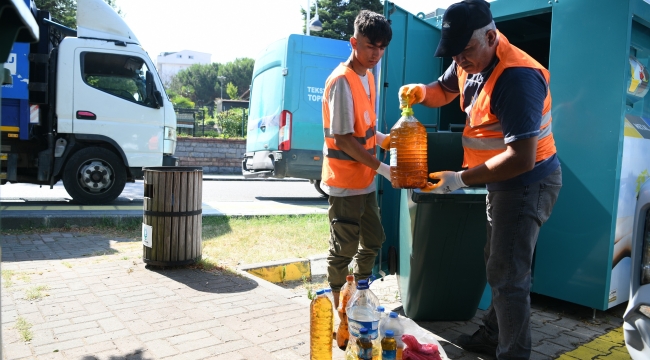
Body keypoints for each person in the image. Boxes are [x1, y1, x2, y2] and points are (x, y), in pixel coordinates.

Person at [399, 1, 562, 359]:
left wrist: (457, 180)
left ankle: (513, 352)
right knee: (499, 263)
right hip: (502, 183)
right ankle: (494, 333)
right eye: (453, 54)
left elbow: (521, 157)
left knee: (508, 275)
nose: (459, 61)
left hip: (527, 184)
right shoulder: (469, 58)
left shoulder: (517, 78)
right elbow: (445, 90)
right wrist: (421, 93)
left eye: (465, 52)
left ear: (491, 36)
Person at [321, 10, 392, 308]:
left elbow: (365, 130)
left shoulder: (369, 76)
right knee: (343, 249)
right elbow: (343, 138)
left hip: (365, 181)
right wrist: (384, 168)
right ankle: (340, 305)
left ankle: (359, 292)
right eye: (369, 46)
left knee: (374, 240)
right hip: (345, 182)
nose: (375, 53)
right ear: (353, 42)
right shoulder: (341, 81)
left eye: (381, 47)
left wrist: (387, 140)